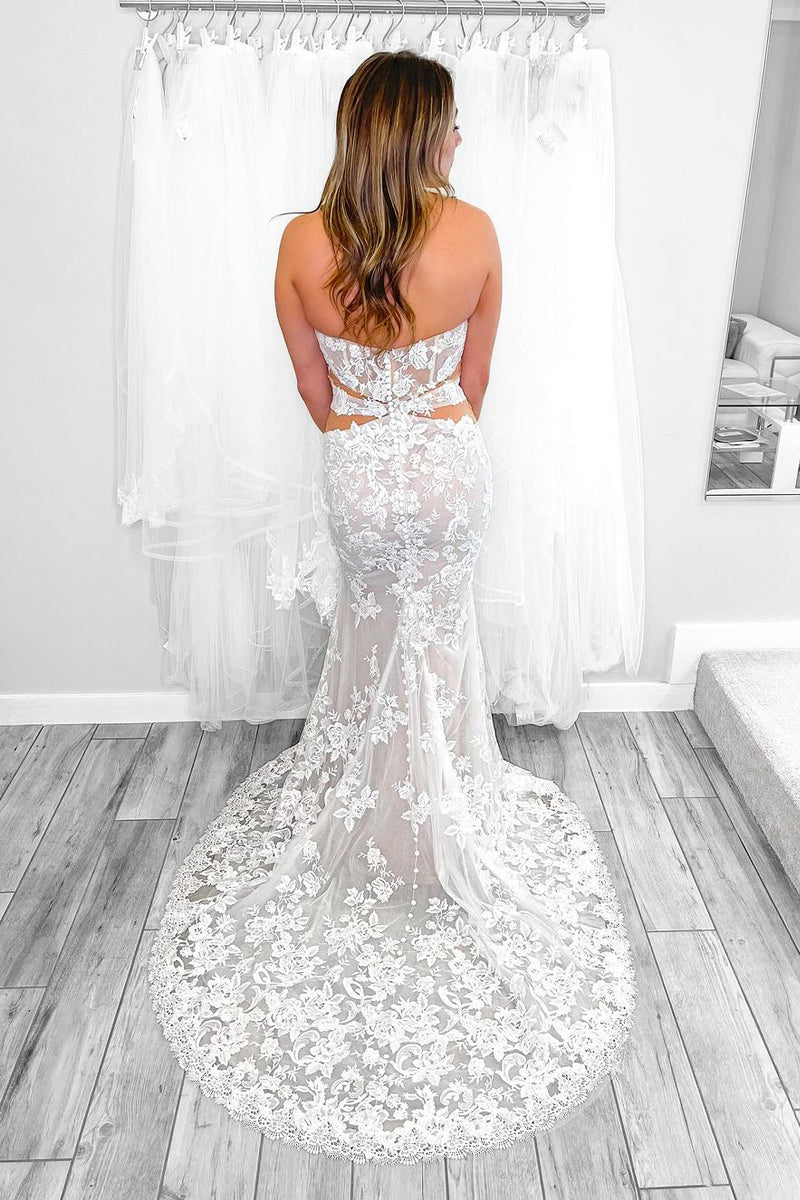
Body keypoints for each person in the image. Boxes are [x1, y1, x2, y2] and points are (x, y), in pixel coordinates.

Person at [148, 48, 637, 1165]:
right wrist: (428, 437)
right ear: (420, 133)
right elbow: (474, 383)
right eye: (451, 125)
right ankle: (438, 804)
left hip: (361, 469)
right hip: (449, 468)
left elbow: (313, 390)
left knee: (373, 638)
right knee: (437, 641)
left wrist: (367, 442)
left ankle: (381, 804)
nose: (461, 141)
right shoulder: (477, 235)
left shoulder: (298, 243)